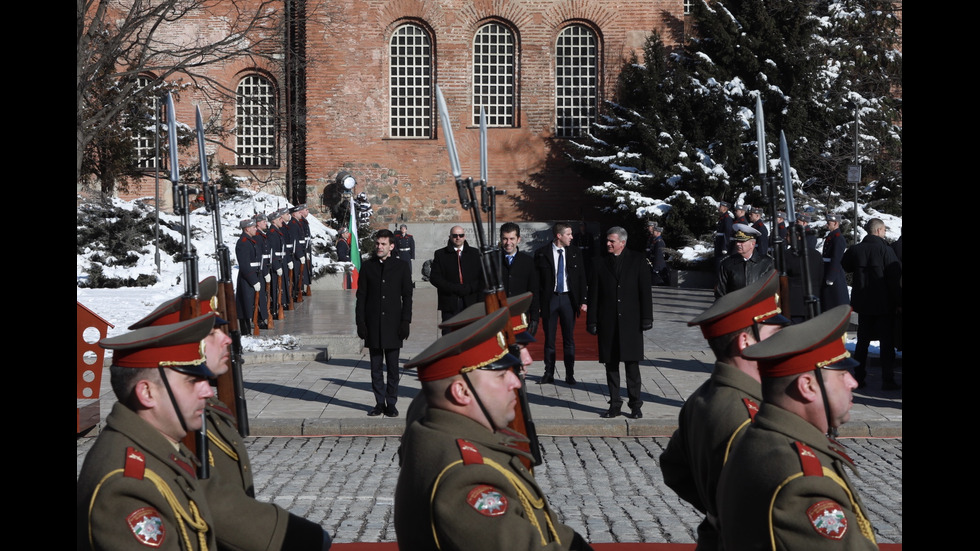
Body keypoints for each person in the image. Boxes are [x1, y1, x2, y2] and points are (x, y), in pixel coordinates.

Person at [127, 280, 333, 550]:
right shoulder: (145, 452)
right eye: (212, 333)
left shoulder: (209, 412)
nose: (226, 338)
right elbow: (209, 500)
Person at [393, 308, 594, 551]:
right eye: (501, 375)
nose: (516, 381)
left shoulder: (457, 434)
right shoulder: (464, 479)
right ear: (462, 392)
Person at [716, 305, 879, 550]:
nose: (853, 382)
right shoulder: (804, 483)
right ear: (807, 386)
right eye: (840, 373)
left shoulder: (762, 438)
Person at [659, 272, 790, 551]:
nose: (782, 343)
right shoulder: (748, 415)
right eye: (774, 334)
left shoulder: (703, 396)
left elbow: (674, 468)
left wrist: (713, 508)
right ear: (746, 342)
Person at [77, 314, 220, 551]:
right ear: (147, 393)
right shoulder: (126, 487)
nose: (208, 391)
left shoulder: (159, 446)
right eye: (192, 380)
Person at [586, 227, 652, 418]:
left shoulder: (638, 261)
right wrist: (592, 320)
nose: (608, 243)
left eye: (612, 241)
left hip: (631, 322)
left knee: (632, 366)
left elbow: (645, 292)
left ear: (622, 243)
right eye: (607, 240)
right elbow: (594, 295)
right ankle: (615, 404)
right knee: (611, 365)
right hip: (608, 322)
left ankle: (635, 405)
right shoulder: (598, 263)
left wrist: (647, 317)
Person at [356, 229, 414, 417]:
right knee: (375, 367)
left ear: (391, 246)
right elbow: (361, 297)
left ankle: (391, 401)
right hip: (373, 323)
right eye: (377, 244)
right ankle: (379, 402)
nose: (379, 247)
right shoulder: (368, 266)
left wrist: (406, 321)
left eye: (383, 244)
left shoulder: (401, 266)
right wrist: (360, 322)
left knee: (393, 367)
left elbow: (407, 296)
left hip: (393, 323)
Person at [841, 218, 902, 390]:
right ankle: (887, 379)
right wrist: (899, 301)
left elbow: (845, 265)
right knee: (886, 342)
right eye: (883, 230)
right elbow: (894, 278)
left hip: (863, 304)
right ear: (878, 230)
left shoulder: (856, 249)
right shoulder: (885, 250)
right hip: (884, 304)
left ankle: (859, 377)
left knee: (862, 342)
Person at [534, 222, 588, 384]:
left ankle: (569, 374)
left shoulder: (574, 252)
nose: (572, 237)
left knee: (568, 338)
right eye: (569, 234)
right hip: (550, 299)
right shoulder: (542, 253)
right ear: (559, 236)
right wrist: (536, 304)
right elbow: (536, 282)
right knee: (549, 338)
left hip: (567, 299)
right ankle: (548, 373)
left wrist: (583, 300)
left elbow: (582, 277)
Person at [430, 225, 483, 332]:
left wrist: (469, 288)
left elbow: (482, 277)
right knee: (449, 337)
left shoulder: (475, 253)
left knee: (471, 335)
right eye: (455, 235)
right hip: (450, 302)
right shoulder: (440, 254)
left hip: (471, 302)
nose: (458, 238)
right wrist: (454, 288)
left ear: (464, 237)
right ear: (450, 237)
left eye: (460, 235)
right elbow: (435, 278)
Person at [499, 222, 540, 337]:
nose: (508, 243)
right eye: (505, 239)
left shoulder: (528, 261)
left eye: (512, 238)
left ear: (518, 239)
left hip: (520, 316)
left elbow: (533, 291)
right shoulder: (494, 261)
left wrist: (535, 318)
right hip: (497, 317)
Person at [715, 223, 775, 298]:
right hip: (735, 307)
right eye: (737, 241)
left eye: (742, 241)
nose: (738, 244)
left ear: (752, 244)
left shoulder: (767, 263)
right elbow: (721, 293)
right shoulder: (727, 264)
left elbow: (772, 290)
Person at [235, 217, 261, 334]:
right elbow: (245, 265)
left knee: (249, 304)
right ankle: (245, 331)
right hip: (247, 278)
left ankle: (249, 329)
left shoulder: (250, 240)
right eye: (253, 227)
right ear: (247, 229)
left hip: (253, 276)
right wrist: (253, 280)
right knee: (245, 306)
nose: (256, 229)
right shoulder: (243, 243)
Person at [820, 214, 849, 310]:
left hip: (834, 273)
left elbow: (836, 258)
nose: (827, 225)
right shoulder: (832, 236)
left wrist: (831, 277)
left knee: (836, 299)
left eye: (829, 223)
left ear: (836, 223)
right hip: (827, 269)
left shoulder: (838, 238)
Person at [268, 208, 289, 318]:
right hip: (277, 264)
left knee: (282, 286)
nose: (282, 220)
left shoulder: (277, 231)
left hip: (282, 261)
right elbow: (273, 251)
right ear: (274, 221)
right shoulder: (272, 233)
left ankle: (280, 305)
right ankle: (276, 308)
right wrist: (277, 266)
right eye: (279, 218)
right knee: (276, 287)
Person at [253, 212, 272, 329]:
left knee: (263, 296)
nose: (266, 223)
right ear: (258, 224)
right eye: (264, 222)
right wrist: (265, 272)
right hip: (260, 269)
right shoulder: (257, 236)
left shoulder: (261, 235)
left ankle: (261, 318)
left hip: (264, 267)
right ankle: (259, 319)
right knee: (259, 297)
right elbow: (260, 256)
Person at [645, 221, 670, 286]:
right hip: (653, 263)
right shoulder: (655, 240)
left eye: (654, 231)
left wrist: (656, 268)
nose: (653, 232)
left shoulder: (659, 242)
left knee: (659, 283)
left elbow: (659, 256)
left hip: (658, 267)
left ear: (658, 233)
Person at [713, 201, 734, 267]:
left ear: (725, 208)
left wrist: (725, 247)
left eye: (720, 207)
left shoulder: (727, 218)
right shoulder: (722, 217)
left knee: (720, 262)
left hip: (722, 244)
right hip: (719, 243)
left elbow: (727, 232)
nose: (719, 208)